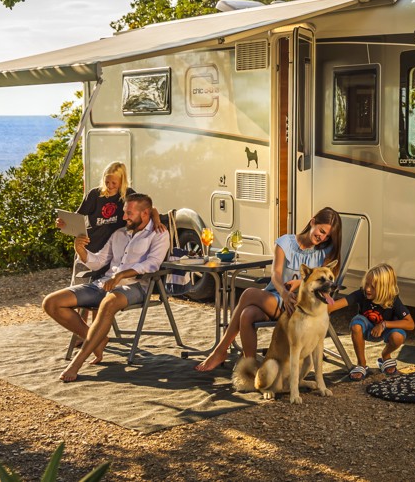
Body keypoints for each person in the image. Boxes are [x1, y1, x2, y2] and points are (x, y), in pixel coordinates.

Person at [193, 207, 342, 372]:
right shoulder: (285, 242)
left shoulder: (324, 252)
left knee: (249, 293)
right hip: (276, 296)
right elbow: (275, 274)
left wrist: (300, 283)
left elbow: (325, 279)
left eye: (327, 235)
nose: (322, 237)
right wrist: (284, 293)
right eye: (321, 230)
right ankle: (251, 368)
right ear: (313, 222)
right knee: (247, 314)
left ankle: (221, 350)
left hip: (299, 305)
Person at [42, 192, 169, 382]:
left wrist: (121, 275)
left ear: (145, 214)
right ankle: (98, 339)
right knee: (51, 302)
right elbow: (98, 261)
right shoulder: (118, 234)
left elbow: (152, 265)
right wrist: (81, 250)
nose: (124, 217)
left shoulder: (158, 234)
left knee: (109, 302)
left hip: (136, 286)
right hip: (105, 283)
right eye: (124, 212)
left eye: (129, 213)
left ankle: (76, 363)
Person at [328, 263, 414, 380]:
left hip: (385, 331)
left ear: (385, 287)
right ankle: (362, 364)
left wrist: (384, 324)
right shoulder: (361, 293)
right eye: (367, 284)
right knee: (356, 324)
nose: (368, 289)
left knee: (398, 336)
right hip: (366, 329)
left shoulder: (392, 299)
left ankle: (385, 356)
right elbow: (334, 306)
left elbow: (410, 323)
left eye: (373, 286)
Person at [61, 162, 132, 280]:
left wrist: (156, 220)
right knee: (79, 290)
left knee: (103, 290)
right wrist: (64, 223)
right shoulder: (94, 194)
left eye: (114, 183)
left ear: (122, 181)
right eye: (107, 182)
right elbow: (76, 218)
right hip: (88, 249)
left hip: (112, 254)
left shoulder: (128, 195)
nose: (109, 186)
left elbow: (147, 208)